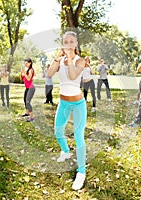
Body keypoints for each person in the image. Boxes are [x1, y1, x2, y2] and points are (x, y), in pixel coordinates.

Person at [48, 31, 87, 191]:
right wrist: (57, 59)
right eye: (65, 41)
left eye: (71, 42)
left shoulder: (80, 61)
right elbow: (49, 74)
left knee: (78, 136)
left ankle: (81, 172)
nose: (68, 44)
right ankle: (65, 151)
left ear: (75, 44)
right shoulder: (60, 60)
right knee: (58, 131)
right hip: (63, 102)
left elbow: (72, 76)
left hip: (78, 103)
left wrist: (69, 58)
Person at [21, 58, 35, 122]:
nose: (25, 64)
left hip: (31, 88)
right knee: (25, 100)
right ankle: (27, 112)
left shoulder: (31, 70)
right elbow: (22, 79)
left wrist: (24, 73)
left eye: (26, 63)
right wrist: (22, 73)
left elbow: (29, 79)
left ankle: (31, 117)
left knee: (27, 102)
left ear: (30, 63)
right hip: (27, 88)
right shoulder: (27, 70)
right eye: (25, 63)